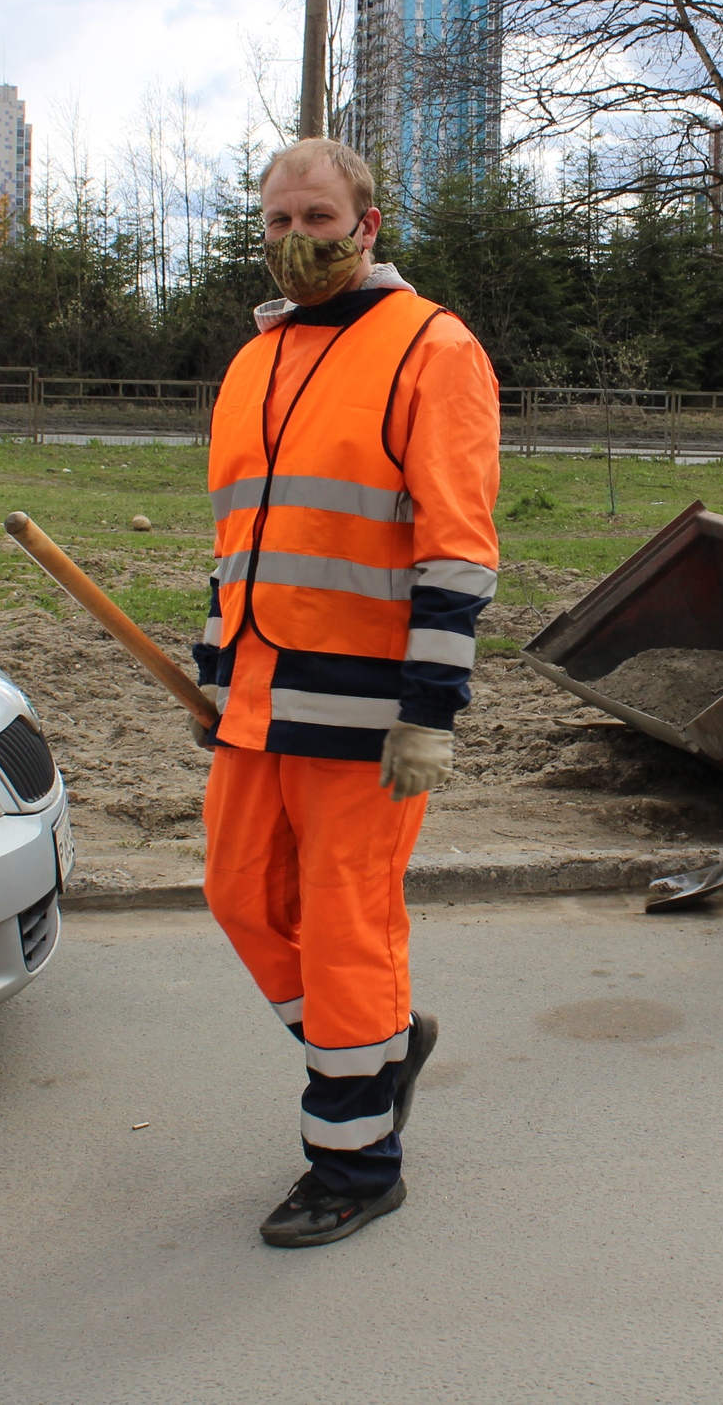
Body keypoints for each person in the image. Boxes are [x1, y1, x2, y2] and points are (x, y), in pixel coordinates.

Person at [193, 138, 501, 1247]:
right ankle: (375, 1045)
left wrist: (431, 711)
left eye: (317, 219)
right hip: (259, 700)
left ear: (369, 224)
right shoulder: (252, 362)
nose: (296, 240)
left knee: (344, 931)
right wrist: (218, 666)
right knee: (237, 896)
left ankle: (356, 1162)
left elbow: (457, 549)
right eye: (278, 221)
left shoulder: (433, 347)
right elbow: (242, 546)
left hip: (370, 716)